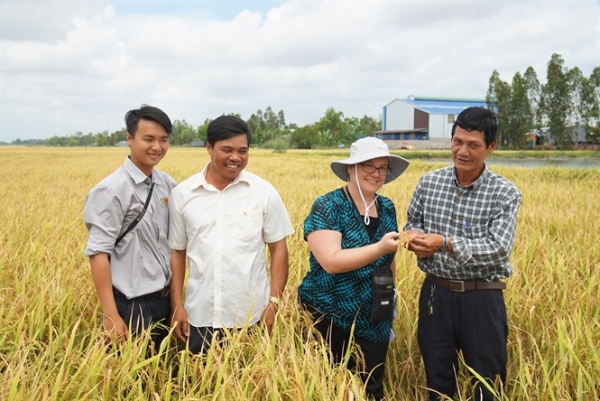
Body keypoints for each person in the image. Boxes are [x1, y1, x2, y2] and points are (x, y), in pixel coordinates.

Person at [403, 107, 522, 401]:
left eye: (473, 145)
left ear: (491, 147)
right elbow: (412, 223)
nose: (462, 151)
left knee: (487, 382)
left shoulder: (504, 193)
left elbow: (498, 249)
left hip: (482, 298)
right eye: (457, 141)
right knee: (437, 379)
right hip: (435, 294)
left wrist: (444, 242)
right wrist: (413, 237)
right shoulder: (429, 183)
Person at [168, 115, 295, 354]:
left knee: (252, 386)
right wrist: (176, 304)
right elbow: (177, 251)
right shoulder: (183, 194)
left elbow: (279, 249)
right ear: (208, 147)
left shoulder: (263, 192)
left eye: (243, 151)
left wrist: (274, 304)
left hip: (252, 317)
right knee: (200, 386)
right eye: (227, 149)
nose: (236, 158)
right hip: (200, 315)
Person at [298, 137, 410, 401]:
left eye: (382, 168)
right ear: (351, 168)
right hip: (329, 313)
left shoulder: (387, 206)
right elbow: (331, 261)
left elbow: (389, 259)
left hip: (375, 314)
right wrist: (380, 248)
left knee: (371, 386)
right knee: (328, 385)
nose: (376, 173)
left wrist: (391, 295)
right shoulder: (328, 205)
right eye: (367, 166)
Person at [84, 105, 176, 352]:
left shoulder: (166, 184)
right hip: (133, 305)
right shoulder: (112, 190)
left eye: (163, 140)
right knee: (134, 380)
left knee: (162, 375)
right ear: (129, 138)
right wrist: (111, 315)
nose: (157, 147)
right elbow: (98, 253)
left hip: (165, 300)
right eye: (148, 139)